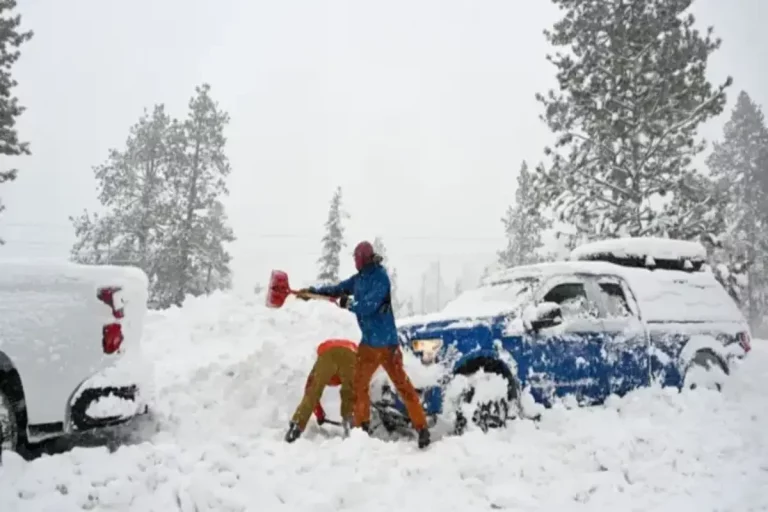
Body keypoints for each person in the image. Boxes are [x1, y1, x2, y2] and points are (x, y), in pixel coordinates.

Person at [299, 240, 430, 449]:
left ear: (364, 258)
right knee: (361, 386)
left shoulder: (380, 278)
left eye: (356, 258)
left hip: (384, 345)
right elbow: (338, 288)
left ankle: (421, 428)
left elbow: (368, 306)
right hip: (374, 344)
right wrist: (313, 292)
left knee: (396, 385)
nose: (354, 262)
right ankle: (363, 427)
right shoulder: (360, 279)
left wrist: (347, 303)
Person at [285, 338, 358, 443]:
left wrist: (319, 414)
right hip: (351, 353)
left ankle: (296, 426)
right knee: (349, 393)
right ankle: (349, 425)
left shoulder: (321, 365)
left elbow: (309, 389)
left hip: (327, 353)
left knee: (314, 390)